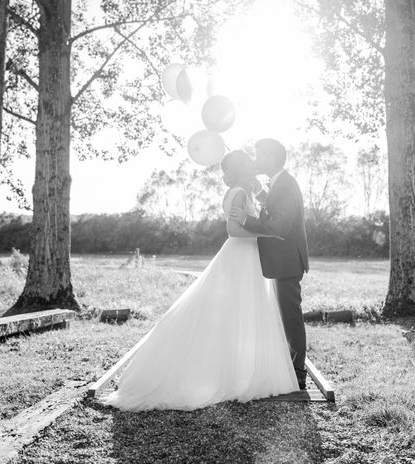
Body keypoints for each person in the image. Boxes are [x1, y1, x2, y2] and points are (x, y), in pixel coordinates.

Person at [101, 150, 298, 411]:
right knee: (235, 310)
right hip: (241, 254)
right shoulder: (239, 192)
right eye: (250, 164)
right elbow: (234, 230)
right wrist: (268, 235)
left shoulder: (244, 191)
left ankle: (239, 369)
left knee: (242, 312)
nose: (254, 165)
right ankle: (228, 374)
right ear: (243, 168)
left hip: (247, 256)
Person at [229, 138, 309, 389]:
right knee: (284, 313)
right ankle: (289, 365)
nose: (256, 160)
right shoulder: (279, 184)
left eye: (260, 155)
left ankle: (297, 372)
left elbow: (280, 226)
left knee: (290, 315)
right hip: (281, 260)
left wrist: (247, 220)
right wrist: (262, 194)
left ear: (273, 158)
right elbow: (274, 209)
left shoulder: (286, 185)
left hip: (287, 260)